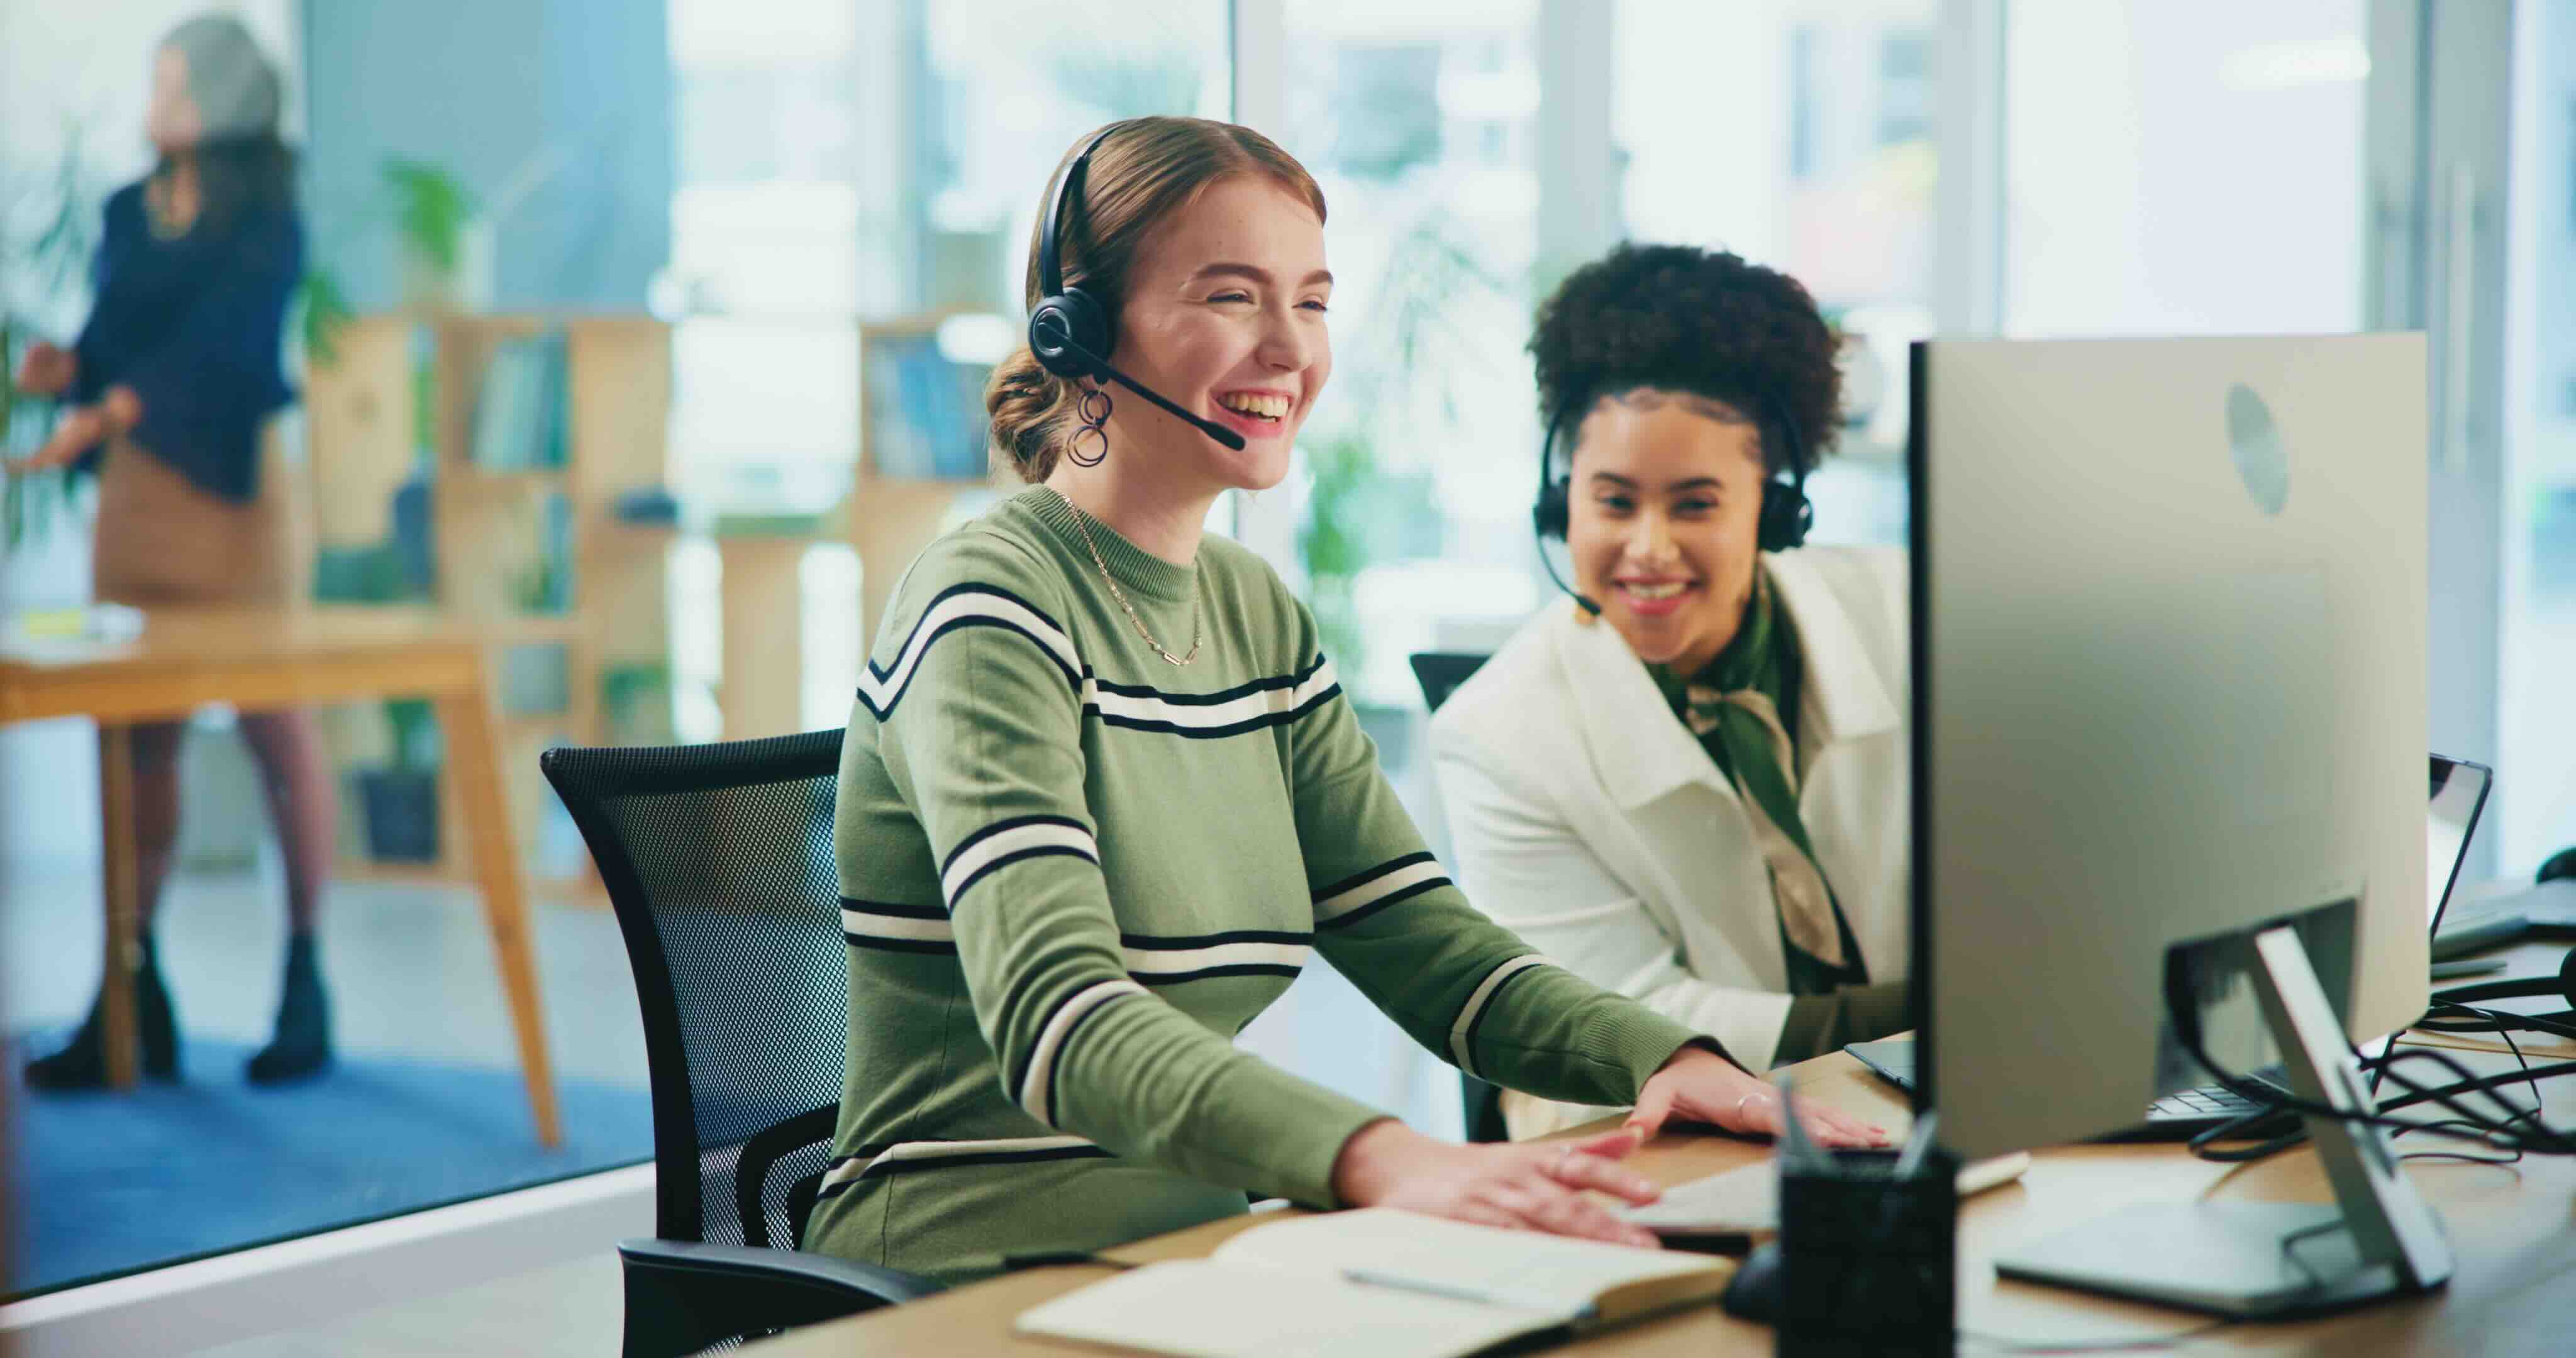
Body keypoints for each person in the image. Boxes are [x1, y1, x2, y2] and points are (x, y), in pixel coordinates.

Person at [805, 118, 1884, 1285]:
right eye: (1232, 297)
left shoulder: (1250, 609)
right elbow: (1056, 1019)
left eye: (1312, 302)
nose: (1289, 350)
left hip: (1201, 1254)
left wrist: (1674, 1059)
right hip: (955, 1268)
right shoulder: (989, 602)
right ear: (1079, 328)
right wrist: (1383, 1157)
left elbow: (1420, 940)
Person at [1429, 244, 1912, 1140]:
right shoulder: (1495, 735)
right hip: (1644, 1113)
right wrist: (1944, 1016)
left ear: (1773, 509)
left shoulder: (1911, 615)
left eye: (1695, 505)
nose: (1648, 548)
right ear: (1560, 502)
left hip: (1903, 1104)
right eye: (1613, 503)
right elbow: (1630, 1012)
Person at [9, 15, 333, 1088]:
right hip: (138, 502)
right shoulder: (122, 211)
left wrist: (113, 409)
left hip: (235, 498)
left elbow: (233, 350)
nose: (156, 96)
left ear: (222, 97)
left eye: (174, 80)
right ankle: (131, 990)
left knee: (274, 725)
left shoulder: (268, 216)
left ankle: (303, 976)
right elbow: (120, 342)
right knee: (133, 741)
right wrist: (73, 374)